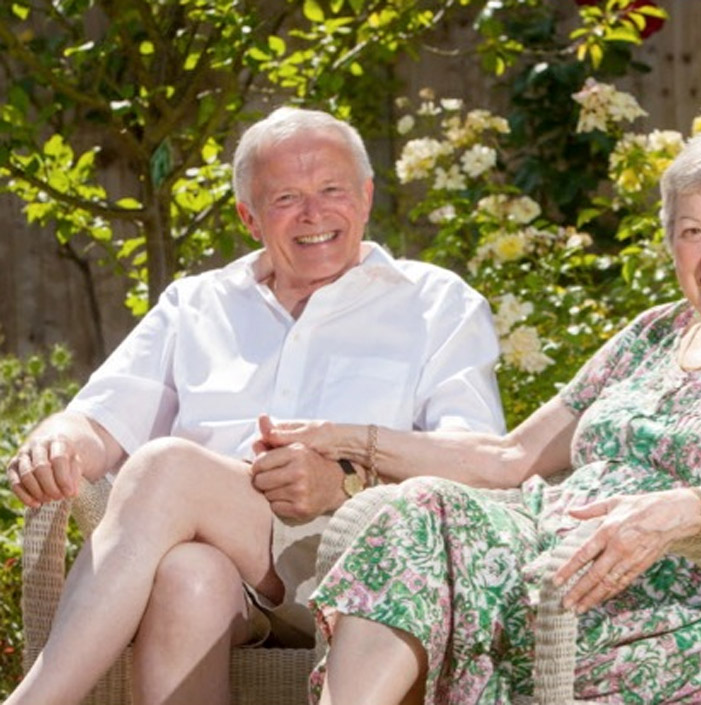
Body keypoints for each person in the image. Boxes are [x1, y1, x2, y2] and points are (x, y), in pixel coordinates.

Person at [261, 120, 701, 704]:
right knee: (412, 509)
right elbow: (512, 457)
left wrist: (677, 510)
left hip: (657, 588)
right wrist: (343, 437)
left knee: (418, 544)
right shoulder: (655, 332)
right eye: (693, 232)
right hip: (535, 553)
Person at [3, 107, 505, 705]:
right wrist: (56, 439)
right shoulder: (197, 305)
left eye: (332, 190)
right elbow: (98, 419)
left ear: (366, 197)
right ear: (249, 216)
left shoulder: (436, 303)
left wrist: (347, 481)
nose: (314, 213)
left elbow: (479, 469)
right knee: (189, 575)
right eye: (287, 197)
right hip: (230, 577)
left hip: (365, 572)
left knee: (168, 465)